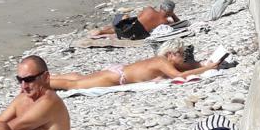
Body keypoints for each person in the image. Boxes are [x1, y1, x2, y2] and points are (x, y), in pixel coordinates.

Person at [48, 40, 219, 90]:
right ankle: (40, 82)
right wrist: (208, 68)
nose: (184, 58)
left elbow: (183, 68)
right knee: (75, 85)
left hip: (116, 71)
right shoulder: (162, 62)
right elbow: (179, 76)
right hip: (117, 77)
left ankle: (45, 77)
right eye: (181, 54)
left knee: (79, 77)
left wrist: (202, 63)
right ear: (170, 54)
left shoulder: (160, 61)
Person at [91, 0, 179, 39]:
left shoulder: (149, 9)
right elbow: (179, 23)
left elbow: (138, 17)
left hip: (127, 29)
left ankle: (101, 31)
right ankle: (104, 30)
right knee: (119, 26)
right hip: (136, 35)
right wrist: (173, 15)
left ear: (161, 7)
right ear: (170, 11)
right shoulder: (165, 22)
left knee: (124, 17)